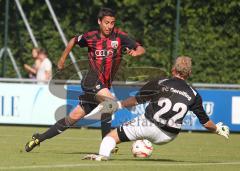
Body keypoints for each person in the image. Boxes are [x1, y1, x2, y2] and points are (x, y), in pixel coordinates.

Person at [25, 7, 145, 152]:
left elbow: (140, 48)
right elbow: (73, 40)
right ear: (99, 22)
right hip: (92, 80)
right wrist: (62, 59)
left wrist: (136, 52)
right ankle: (106, 141)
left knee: (72, 118)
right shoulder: (91, 36)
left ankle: (38, 138)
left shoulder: (119, 36)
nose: (109, 26)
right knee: (110, 102)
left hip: (102, 86)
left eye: (112, 23)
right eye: (106, 22)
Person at [82, 56, 230, 161]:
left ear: (173, 70)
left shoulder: (160, 82)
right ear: (189, 73)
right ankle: (143, 145)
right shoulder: (194, 94)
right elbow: (205, 123)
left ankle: (102, 156)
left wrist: (118, 105)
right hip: (168, 136)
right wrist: (217, 129)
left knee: (110, 137)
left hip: (147, 125)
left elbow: (137, 100)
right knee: (147, 132)